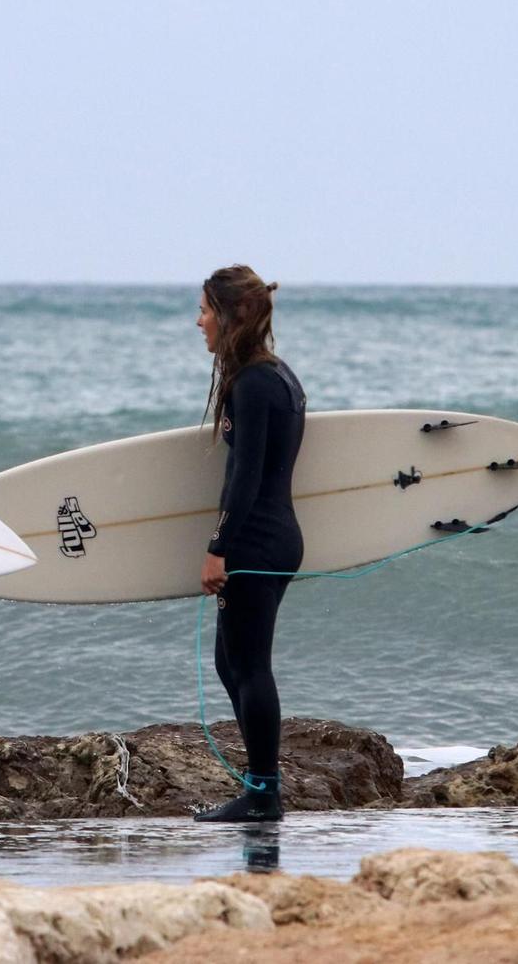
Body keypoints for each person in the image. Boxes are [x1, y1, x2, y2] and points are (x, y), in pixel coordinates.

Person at [192, 265, 306, 823]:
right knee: (230, 660)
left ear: (233, 315)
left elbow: (247, 477)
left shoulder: (254, 383)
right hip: (271, 538)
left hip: (256, 543)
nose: (199, 322)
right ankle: (261, 788)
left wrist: (219, 547)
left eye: (207, 310)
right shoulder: (276, 375)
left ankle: (264, 794)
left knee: (249, 665)